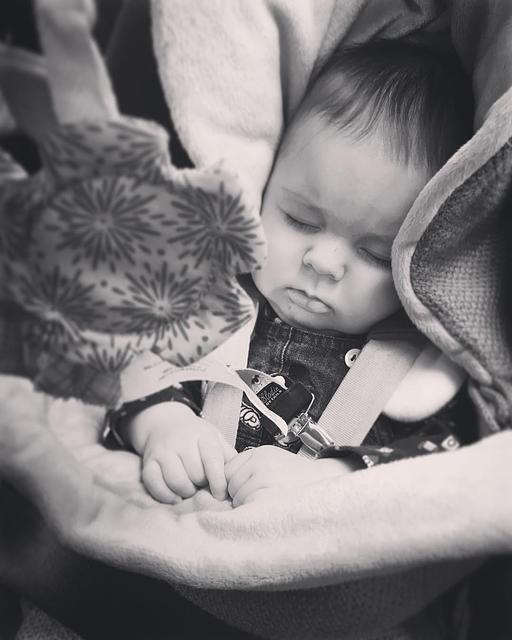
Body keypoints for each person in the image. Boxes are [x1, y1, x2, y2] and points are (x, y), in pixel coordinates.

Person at [107, 38, 476, 507]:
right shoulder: (208, 295)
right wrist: (162, 423)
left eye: (375, 254)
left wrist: (335, 476)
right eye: (300, 220)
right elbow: (125, 363)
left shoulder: (418, 369)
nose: (322, 263)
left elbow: (450, 462)